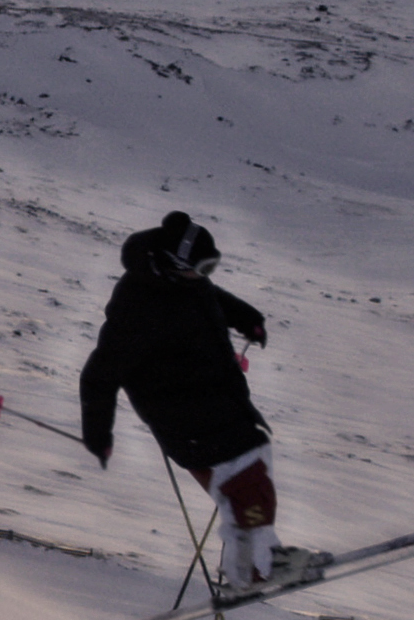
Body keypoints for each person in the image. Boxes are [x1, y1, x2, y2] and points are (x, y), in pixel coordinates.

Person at [77, 213, 318, 594]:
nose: (207, 274)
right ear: (175, 263)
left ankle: (255, 559)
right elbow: (99, 376)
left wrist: (248, 320)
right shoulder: (137, 308)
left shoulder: (186, 282)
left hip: (216, 406)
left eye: (213, 266)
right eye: (203, 266)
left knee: (252, 471)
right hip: (186, 419)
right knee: (245, 481)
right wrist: (98, 433)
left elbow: (213, 301)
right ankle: (253, 569)